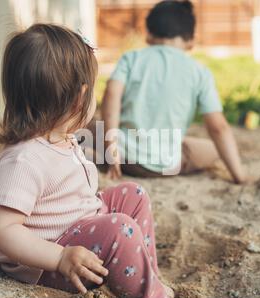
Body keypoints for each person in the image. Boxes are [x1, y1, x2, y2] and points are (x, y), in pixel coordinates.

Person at [0, 24, 173, 298]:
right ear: (79, 100)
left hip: (78, 226)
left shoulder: (62, 137)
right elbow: (2, 229)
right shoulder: (24, 161)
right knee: (120, 228)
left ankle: (148, 276)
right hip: (50, 258)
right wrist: (59, 257)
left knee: (133, 195)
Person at [100, 0, 248, 183]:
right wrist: (239, 176)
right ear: (191, 40)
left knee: (90, 128)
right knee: (211, 149)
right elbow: (218, 127)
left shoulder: (131, 59)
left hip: (123, 155)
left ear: (148, 35)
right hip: (165, 164)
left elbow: (111, 95)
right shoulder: (199, 72)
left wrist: (111, 149)